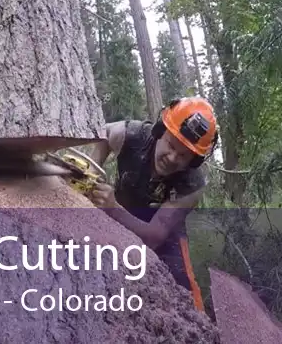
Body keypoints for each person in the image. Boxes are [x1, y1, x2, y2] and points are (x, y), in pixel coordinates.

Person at [87, 97, 219, 312]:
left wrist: (112, 209)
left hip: (164, 231)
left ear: (194, 161)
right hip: (121, 210)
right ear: (160, 131)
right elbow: (104, 134)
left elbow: (155, 237)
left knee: (184, 289)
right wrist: (92, 171)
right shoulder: (132, 134)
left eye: (184, 156)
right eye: (171, 145)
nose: (173, 157)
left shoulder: (192, 184)